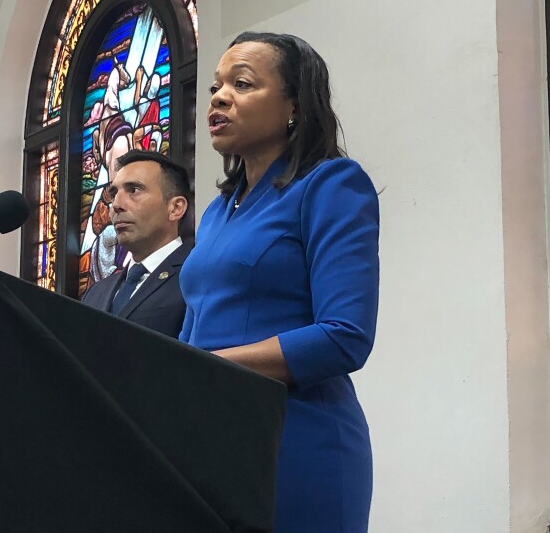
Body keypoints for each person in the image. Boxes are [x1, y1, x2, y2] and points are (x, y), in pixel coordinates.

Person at [179, 32, 380, 532]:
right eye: (216, 86)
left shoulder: (331, 185)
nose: (221, 96)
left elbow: (344, 335)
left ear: (294, 104)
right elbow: (194, 328)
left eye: (242, 84)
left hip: (296, 440)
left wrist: (201, 368)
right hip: (208, 442)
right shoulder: (217, 212)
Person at [82, 150, 192, 338]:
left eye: (134, 190)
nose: (116, 205)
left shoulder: (195, 275)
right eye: (114, 193)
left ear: (175, 208)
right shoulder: (95, 293)